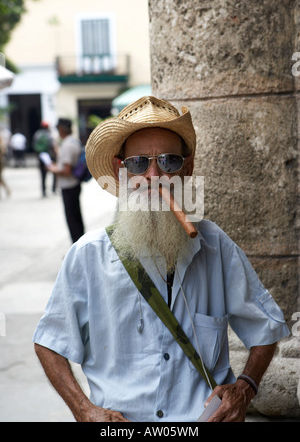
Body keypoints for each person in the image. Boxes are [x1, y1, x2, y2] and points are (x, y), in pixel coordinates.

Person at [33, 96, 290, 422]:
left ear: (188, 168)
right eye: (139, 163)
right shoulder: (87, 257)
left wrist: (244, 387)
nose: (154, 175)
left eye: (168, 161)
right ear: (120, 171)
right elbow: (49, 343)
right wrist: (83, 410)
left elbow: (266, 330)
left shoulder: (216, 247)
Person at [47, 118, 84, 243]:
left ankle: (76, 248)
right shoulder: (74, 141)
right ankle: (79, 246)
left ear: (61, 129)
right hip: (74, 184)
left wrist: (53, 169)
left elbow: (67, 170)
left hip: (69, 186)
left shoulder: (68, 145)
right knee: (76, 217)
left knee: (72, 219)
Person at [32, 121, 57, 197]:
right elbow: (52, 145)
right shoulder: (49, 135)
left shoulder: (37, 134)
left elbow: (34, 145)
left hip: (41, 157)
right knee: (54, 172)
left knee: (43, 175)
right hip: (50, 157)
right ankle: (53, 189)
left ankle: (43, 191)